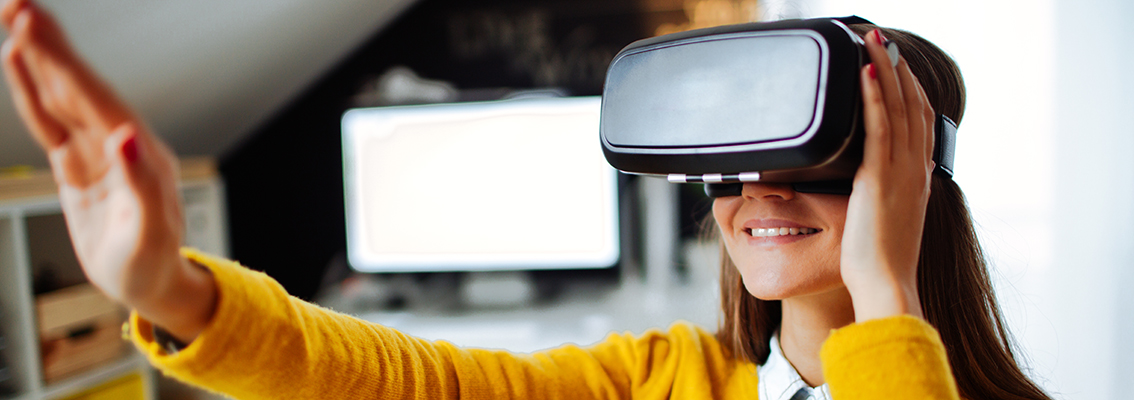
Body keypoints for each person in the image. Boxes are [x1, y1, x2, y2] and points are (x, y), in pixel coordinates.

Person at [0, 0, 1050, 398]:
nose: (759, 190)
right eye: (733, 152)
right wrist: (171, 289)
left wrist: (885, 290)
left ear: (914, 180)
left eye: (819, 150)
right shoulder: (665, 379)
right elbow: (406, 381)